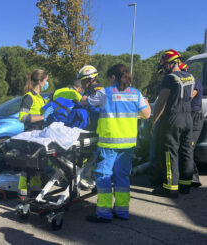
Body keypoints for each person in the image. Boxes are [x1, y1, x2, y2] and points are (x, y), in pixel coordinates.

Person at [83, 64, 151, 223]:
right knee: (122, 177)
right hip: (127, 146)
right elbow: (147, 114)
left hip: (108, 144)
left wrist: (83, 96)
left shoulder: (105, 92)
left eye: (108, 78)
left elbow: (86, 103)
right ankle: (122, 211)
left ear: (113, 77)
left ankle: (104, 213)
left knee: (104, 176)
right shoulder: (136, 94)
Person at [151, 50, 195, 198]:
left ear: (171, 63)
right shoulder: (190, 76)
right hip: (188, 117)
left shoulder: (169, 78)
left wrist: (154, 120)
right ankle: (185, 185)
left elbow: (162, 100)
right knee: (186, 151)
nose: (164, 68)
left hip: (173, 118)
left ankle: (170, 188)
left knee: (170, 153)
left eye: (165, 65)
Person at [18, 69, 54, 197]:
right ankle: (23, 194)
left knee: (38, 167)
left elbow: (41, 113)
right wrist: (42, 117)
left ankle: (36, 192)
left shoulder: (39, 97)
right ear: (40, 81)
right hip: (30, 136)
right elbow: (22, 117)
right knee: (28, 168)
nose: (47, 82)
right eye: (46, 80)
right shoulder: (29, 97)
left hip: (39, 136)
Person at [179, 62, 203, 187]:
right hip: (186, 116)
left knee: (189, 148)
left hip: (194, 117)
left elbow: (189, 96)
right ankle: (186, 176)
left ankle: (193, 178)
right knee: (184, 147)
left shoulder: (195, 82)